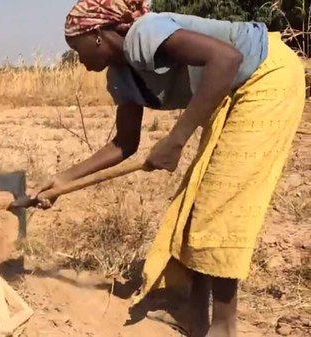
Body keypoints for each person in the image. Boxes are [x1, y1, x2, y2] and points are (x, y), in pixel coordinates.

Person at [32, 1, 305, 336]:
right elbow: (123, 144)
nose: (79, 57)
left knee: (220, 207)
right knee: (195, 206)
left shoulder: (144, 33)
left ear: (98, 35)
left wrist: (176, 139)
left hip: (266, 75)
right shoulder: (120, 76)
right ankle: (195, 317)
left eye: (77, 47)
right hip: (234, 90)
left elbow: (227, 58)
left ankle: (223, 326)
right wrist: (61, 180)